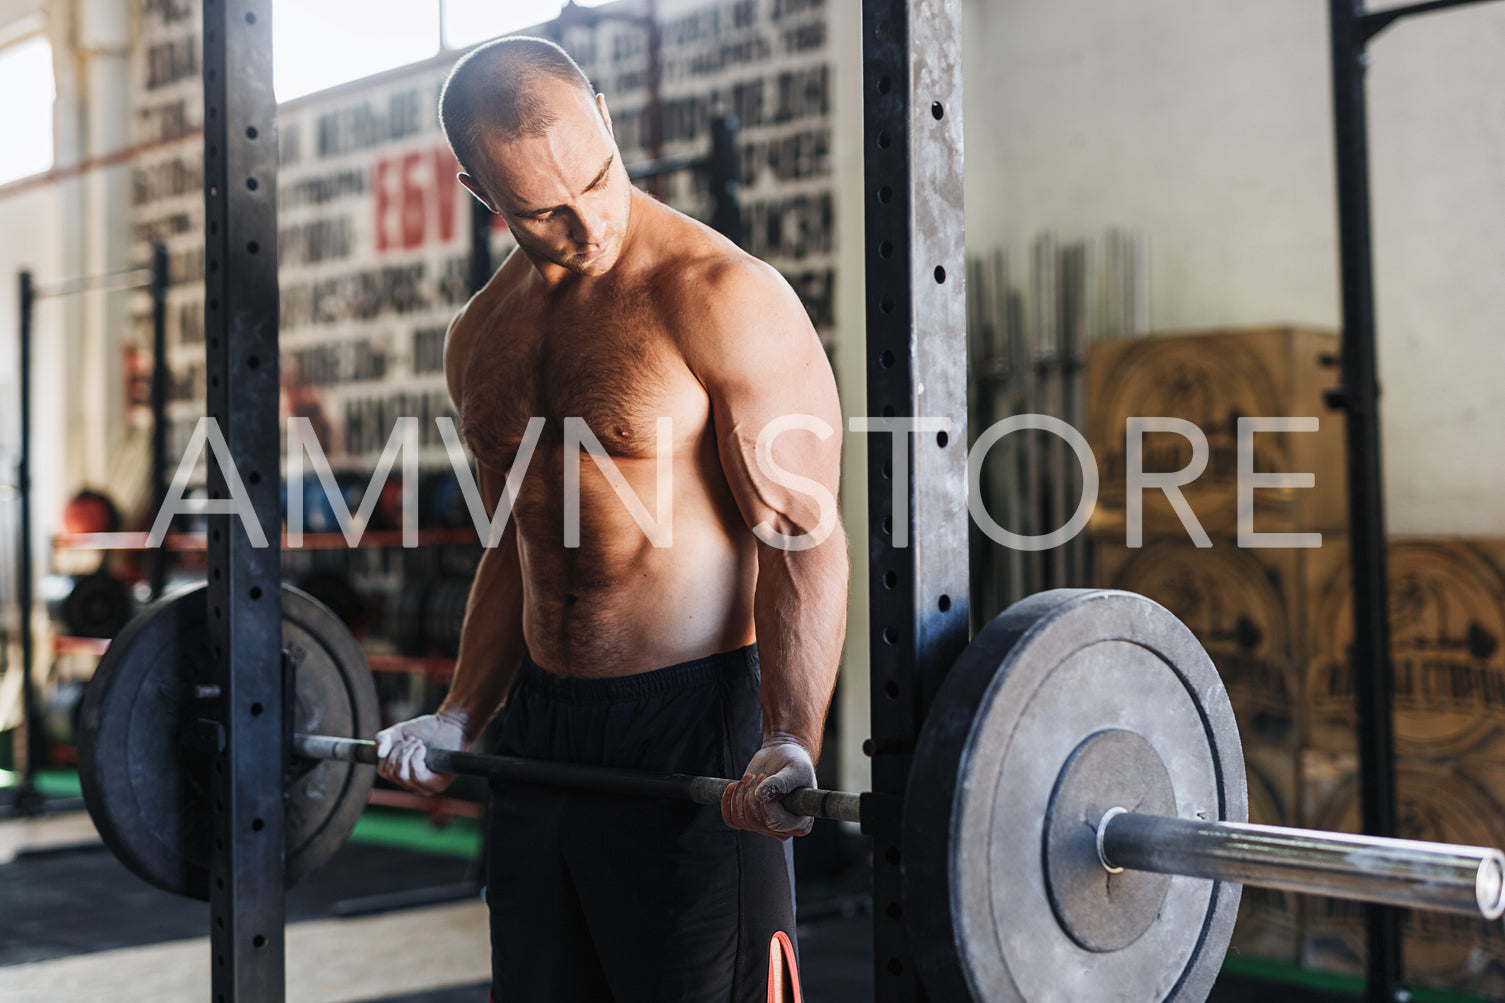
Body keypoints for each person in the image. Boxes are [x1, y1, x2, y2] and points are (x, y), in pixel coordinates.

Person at [373, 35, 849, 1003]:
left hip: (695, 723)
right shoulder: (479, 333)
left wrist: (791, 735)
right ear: (479, 194)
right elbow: (516, 540)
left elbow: (798, 535)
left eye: (597, 177)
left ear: (602, 112)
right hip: (542, 726)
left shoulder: (718, 295)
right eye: (541, 211)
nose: (586, 221)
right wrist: (464, 707)